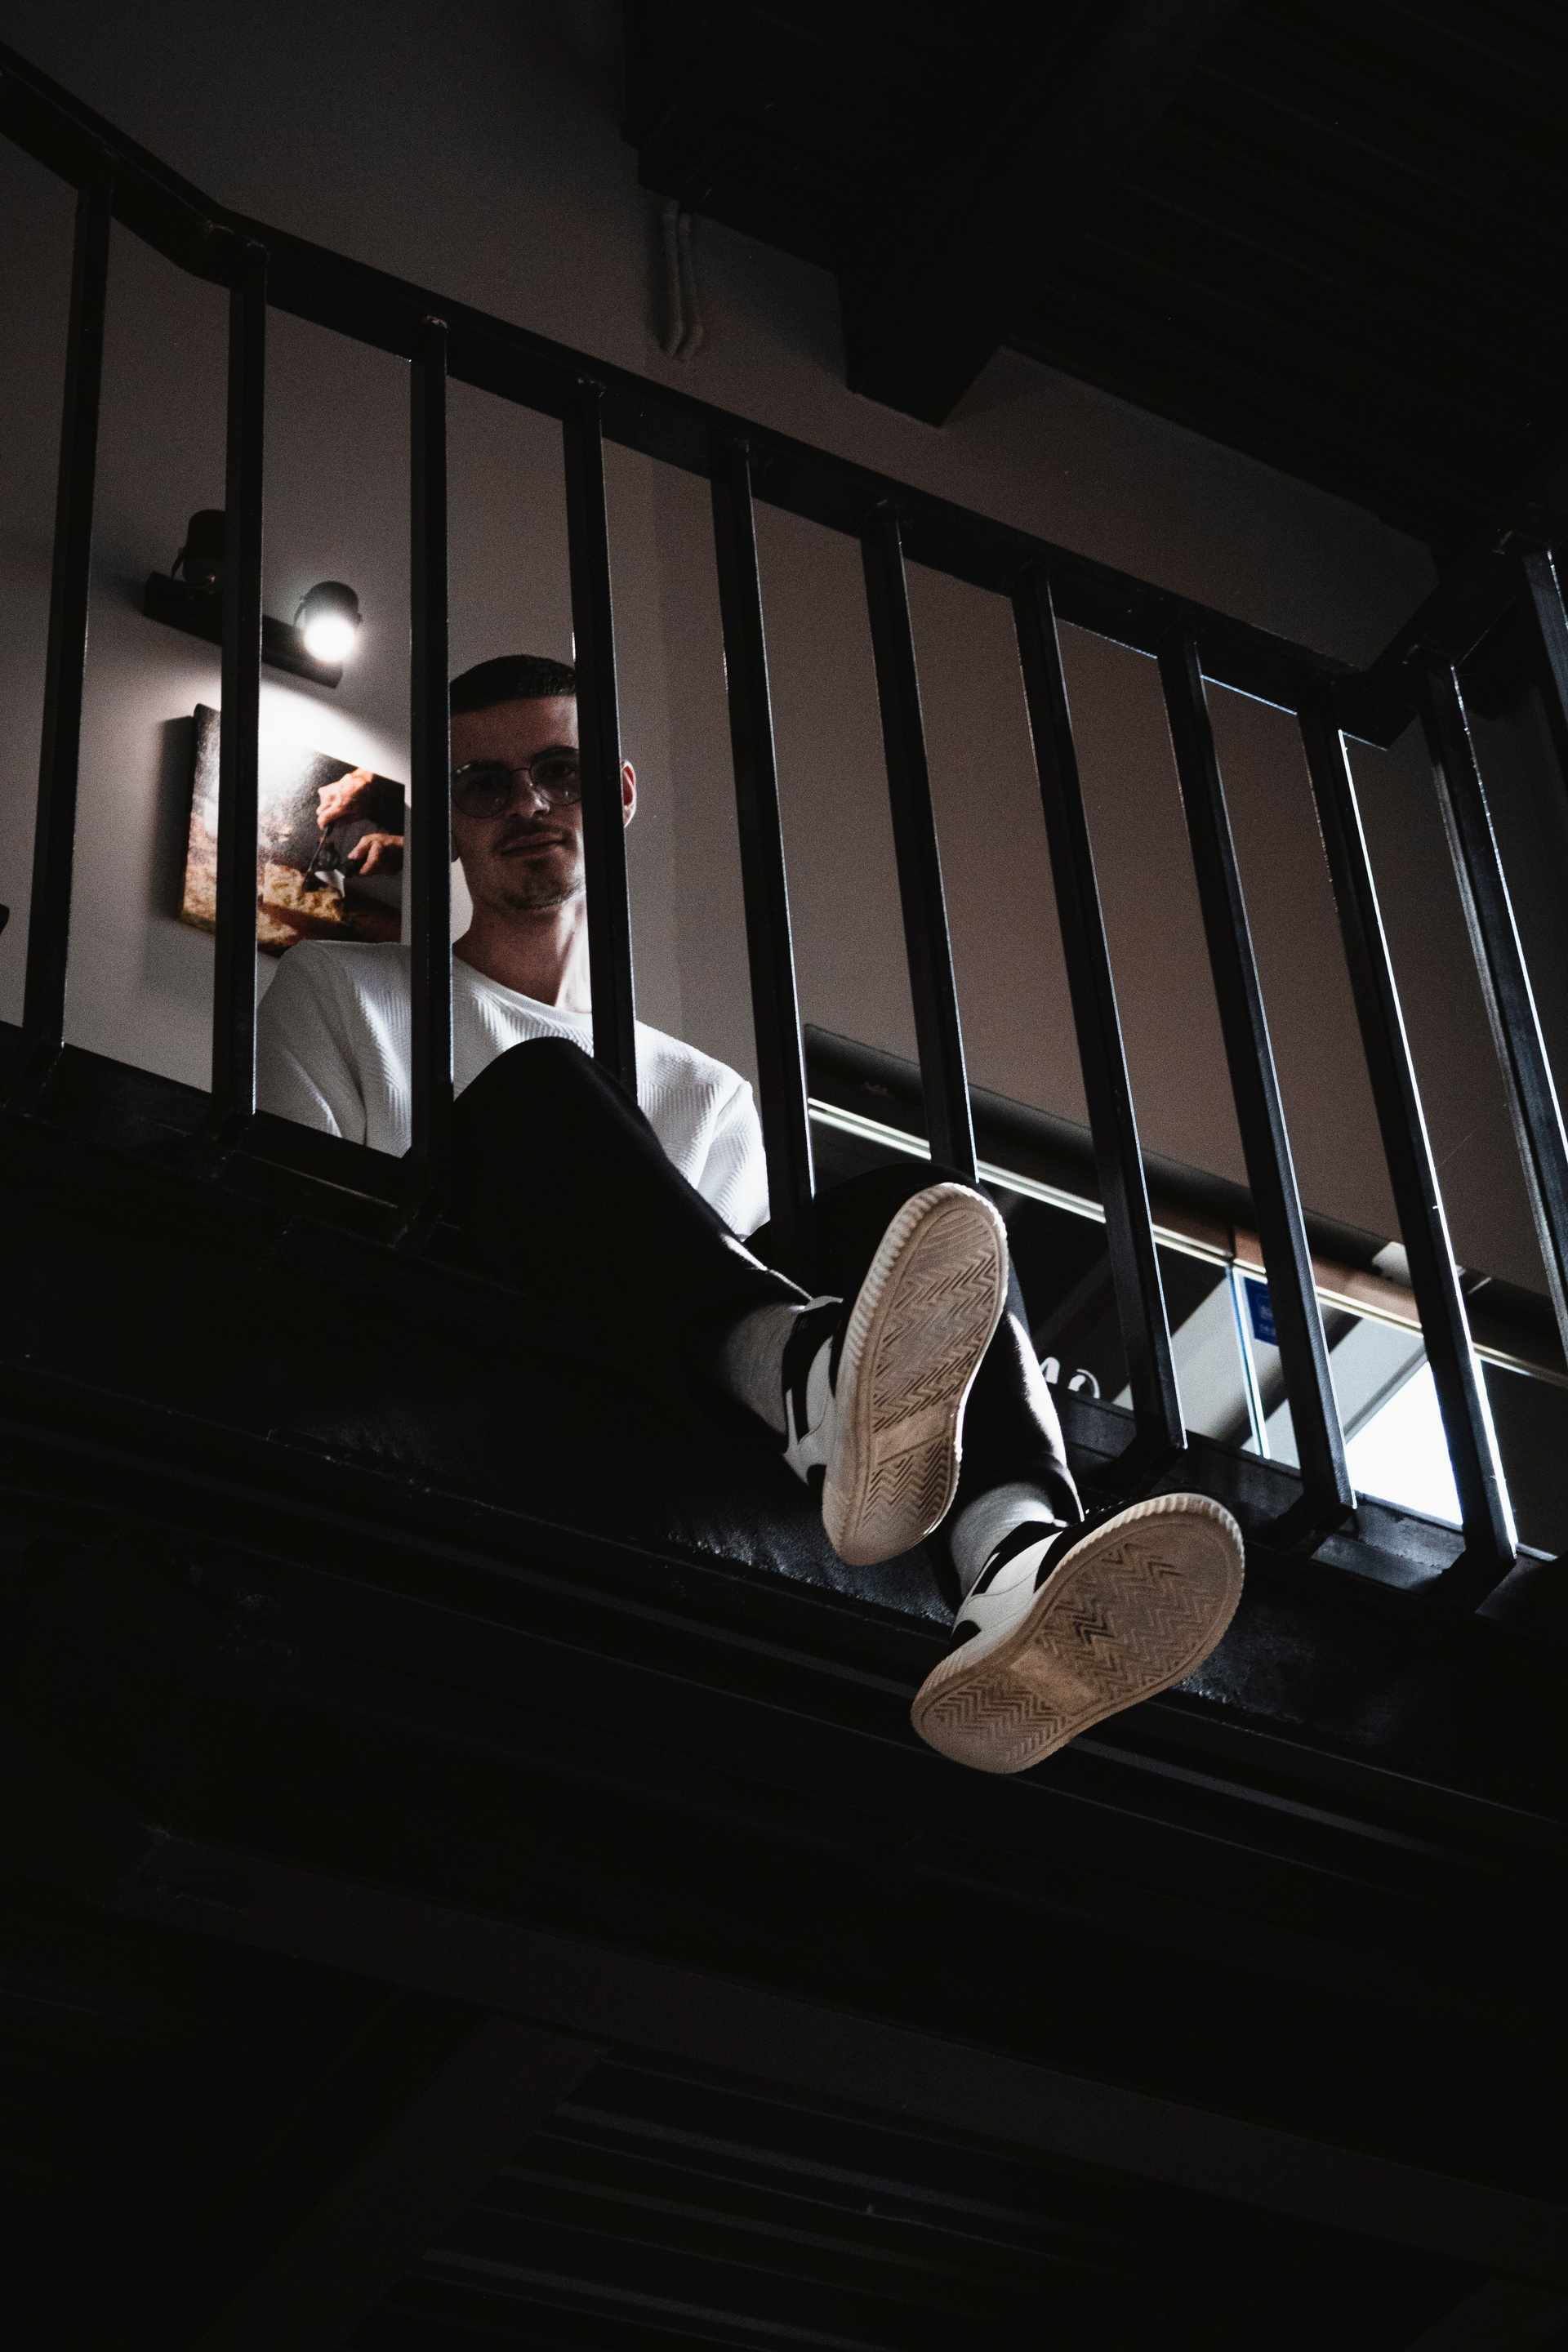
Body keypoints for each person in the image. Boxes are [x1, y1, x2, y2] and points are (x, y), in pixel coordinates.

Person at [257, 654, 1243, 1776]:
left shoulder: (709, 1095)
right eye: (486, 786)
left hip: (665, 1414)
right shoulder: (341, 990)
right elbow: (312, 1235)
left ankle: (1010, 1561)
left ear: (617, 795)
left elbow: (717, 1286)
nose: (528, 805)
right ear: (448, 821)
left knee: (931, 1203)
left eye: (560, 773)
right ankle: (817, 1384)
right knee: (537, 1087)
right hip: (450, 1364)